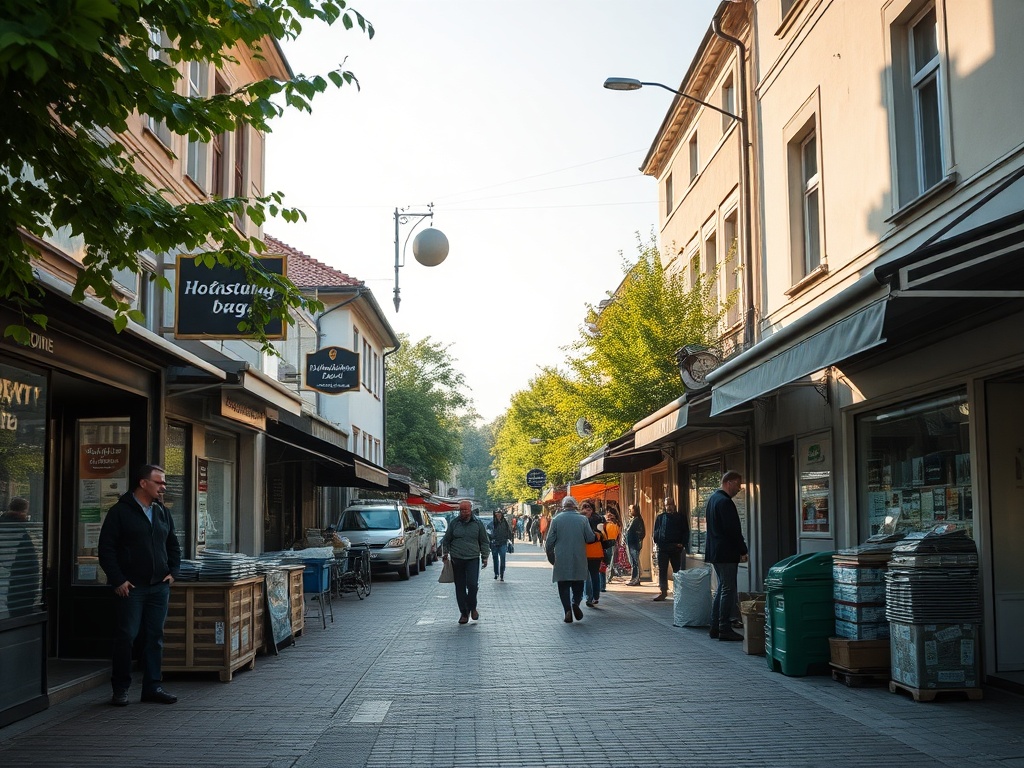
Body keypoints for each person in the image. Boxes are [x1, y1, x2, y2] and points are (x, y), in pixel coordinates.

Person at [97, 464, 181, 706]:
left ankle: (153, 687)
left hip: (159, 586)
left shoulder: (162, 512)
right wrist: (118, 580)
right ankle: (121, 688)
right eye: (159, 482)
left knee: (155, 638)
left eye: (164, 483)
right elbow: (106, 549)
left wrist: (173, 572)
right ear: (143, 483)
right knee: (127, 636)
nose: (163, 487)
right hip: (132, 588)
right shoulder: (120, 512)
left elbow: (173, 544)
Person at [706, 471, 749, 641]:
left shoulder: (713, 500)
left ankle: (715, 626)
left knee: (722, 588)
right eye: (738, 484)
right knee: (727, 589)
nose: (739, 488)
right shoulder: (725, 502)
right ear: (728, 482)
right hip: (725, 552)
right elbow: (733, 530)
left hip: (717, 552)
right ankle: (724, 627)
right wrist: (743, 550)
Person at [544, 495, 596, 623]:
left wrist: (551, 556)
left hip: (562, 558)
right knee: (578, 583)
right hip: (579, 557)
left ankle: (567, 610)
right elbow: (590, 538)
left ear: (563, 506)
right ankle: (576, 603)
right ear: (575, 506)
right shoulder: (583, 520)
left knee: (563, 585)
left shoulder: (556, 520)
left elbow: (549, 541)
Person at [441, 500, 490, 625]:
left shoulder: (478, 524)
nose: (463, 512)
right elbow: (446, 540)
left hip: (473, 558)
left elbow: (484, 541)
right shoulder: (454, 524)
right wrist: (445, 553)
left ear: (470, 510)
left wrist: (485, 556)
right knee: (460, 587)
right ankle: (464, 613)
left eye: (466, 510)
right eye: (461, 510)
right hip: (457, 559)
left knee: (473, 585)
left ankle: (472, 607)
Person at [1, 497, 41, 617]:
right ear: (23, 512)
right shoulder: (20, 531)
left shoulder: (4, 525)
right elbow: (29, 566)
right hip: (15, 592)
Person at [651, 495, 688, 601]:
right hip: (663, 548)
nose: (669, 507)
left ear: (674, 505)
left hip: (676, 547)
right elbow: (656, 531)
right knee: (662, 570)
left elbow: (685, 531)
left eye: (671, 504)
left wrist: (682, 543)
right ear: (665, 506)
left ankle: (678, 591)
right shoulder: (661, 517)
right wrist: (657, 541)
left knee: (677, 570)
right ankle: (663, 592)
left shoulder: (680, 517)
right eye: (667, 505)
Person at [580, 500, 605, 608]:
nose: (587, 509)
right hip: (595, 551)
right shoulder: (599, 519)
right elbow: (602, 535)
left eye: (588, 507)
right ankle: (594, 596)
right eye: (585, 507)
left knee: (589, 575)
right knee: (593, 575)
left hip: (588, 551)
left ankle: (590, 597)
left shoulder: (582, 520)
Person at [486, 509, 514, 581]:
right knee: (495, 559)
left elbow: (509, 532)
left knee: (502, 559)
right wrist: (491, 539)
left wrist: (510, 541)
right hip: (494, 544)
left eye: (499, 514)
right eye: (497, 514)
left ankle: (502, 574)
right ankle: (496, 573)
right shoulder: (491, 524)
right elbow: (488, 533)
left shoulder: (505, 523)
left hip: (503, 543)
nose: (498, 516)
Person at [624, 504, 646, 586]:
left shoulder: (638, 520)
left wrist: (637, 539)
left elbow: (642, 533)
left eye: (631, 510)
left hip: (634, 544)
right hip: (630, 544)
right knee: (633, 562)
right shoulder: (632, 520)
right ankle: (633, 578)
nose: (629, 511)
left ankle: (636, 579)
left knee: (635, 562)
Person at [601, 508, 621, 589]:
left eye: (611, 514)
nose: (609, 515)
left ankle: (608, 577)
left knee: (610, 561)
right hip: (606, 543)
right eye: (608, 513)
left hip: (612, 543)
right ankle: (608, 576)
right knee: (607, 561)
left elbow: (618, 533)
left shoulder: (616, 523)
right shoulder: (604, 523)